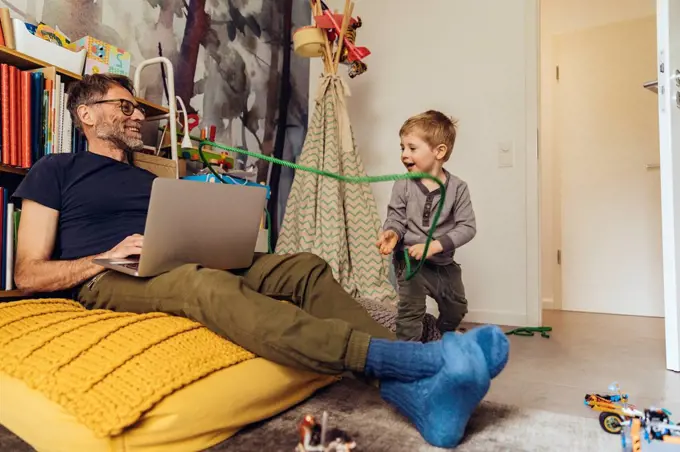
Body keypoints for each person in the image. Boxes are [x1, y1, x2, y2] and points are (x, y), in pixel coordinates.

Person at [12, 74, 508, 448]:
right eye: (124, 105)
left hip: (175, 257)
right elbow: (27, 273)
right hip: (109, 276)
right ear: (87, 115)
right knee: (201, 285)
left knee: (303, 266)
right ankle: (413, 363)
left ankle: (415, 393)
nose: (137, 114)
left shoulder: (151, 177)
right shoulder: (56, 169)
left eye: (137, 106)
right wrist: (104, 257)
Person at [377, 110, 476, 341]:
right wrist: (392, 232)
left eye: (412, 148)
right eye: (402, 148)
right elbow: (396, 218)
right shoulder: (403, 185)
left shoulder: (458, 188)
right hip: (410, 262)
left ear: (439, 151)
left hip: (442, 263)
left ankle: (439, 336)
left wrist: (434, 246)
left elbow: (467, 227)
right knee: (410, 313)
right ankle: (408, 357)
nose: (404, 154)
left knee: (456, 308)